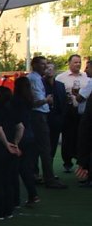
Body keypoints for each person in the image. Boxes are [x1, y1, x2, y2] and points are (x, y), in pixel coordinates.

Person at [27, 56, 67, 189]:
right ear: (35, 65)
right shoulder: (34, 79)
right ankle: (49, 179)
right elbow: (35, 102)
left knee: (38, 147)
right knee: (45, 147)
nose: (45, 67)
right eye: (42, 64)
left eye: (46, 64)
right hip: (38, 114)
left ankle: (36, 175)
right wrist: (47, 100)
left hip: (40, 114)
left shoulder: (36, 78)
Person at [0, 86, 23, 219]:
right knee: (8, 181)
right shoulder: (12, 110)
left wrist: (6, 143)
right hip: (11, 151)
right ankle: (8, 210)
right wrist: (15, 143)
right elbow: (20, 127)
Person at [55, 54, 87, 172]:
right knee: (68, 136)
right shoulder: (61, 77)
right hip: (68, 110)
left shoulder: (86, 77)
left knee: (82, 136)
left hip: (84, 111)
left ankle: (81, 161)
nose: (78, 64)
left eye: (79, 62)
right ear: (69, 63)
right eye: (75, 62)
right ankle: (67, 162)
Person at [11, 76, 40, 206]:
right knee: (25, 168)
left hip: (20, 135)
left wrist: (15, 142)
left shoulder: (15, 101)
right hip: (29, 135)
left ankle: (16, 198)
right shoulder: (28, 99)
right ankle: (32, 194)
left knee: (15, 169)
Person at [43, 61, 68, 170]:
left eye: (51, 68)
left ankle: (49, 171)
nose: (49, 70)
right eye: (47, 68)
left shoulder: (60, 85)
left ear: (55, 71)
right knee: (42, 146)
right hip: (43, 119)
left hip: (57, 120)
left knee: (53, 145)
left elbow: (63, 102)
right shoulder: (41, 84)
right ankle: (37, 172)